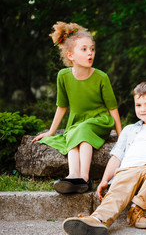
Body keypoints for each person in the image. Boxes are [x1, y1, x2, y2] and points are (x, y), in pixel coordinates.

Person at [62, 81, 146, 235]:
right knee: (118, 190)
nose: (143, 109)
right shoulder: (129, 130)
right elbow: (117, 156)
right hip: (128, 171)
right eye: (138, 105)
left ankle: (137, 208)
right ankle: (98, 220)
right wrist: (105, 179)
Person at [32, 21, 122, 194]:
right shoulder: (63, 76)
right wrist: (51, 132)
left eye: (92, 49)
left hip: (99, 121)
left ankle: (85, 178)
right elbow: (62, 106)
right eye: (84, 49)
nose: (90, 53)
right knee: (73, 134)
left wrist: (121, 137)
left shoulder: (101, 77)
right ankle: (73, 175)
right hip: (77, 122)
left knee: (82, 130)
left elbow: (113, 109)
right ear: (70, 55)